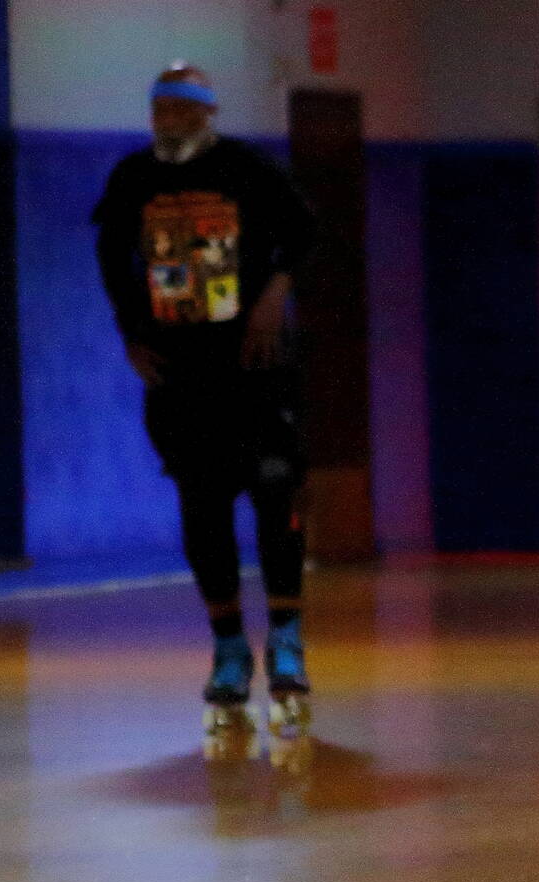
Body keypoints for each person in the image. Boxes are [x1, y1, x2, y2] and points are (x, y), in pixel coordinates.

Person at [93, 64, 318, 747]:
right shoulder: (134, 177)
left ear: (205, 113)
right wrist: (131, 333)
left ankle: (285, 637)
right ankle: (227, 646)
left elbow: (304, 232)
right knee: (203, 506)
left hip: (255, 367)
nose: (164, 119)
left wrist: (276, 290)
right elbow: (110, 258)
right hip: (181, 373)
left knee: (277, 493)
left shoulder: (246, 168)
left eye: (177, 109)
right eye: (157, 107)